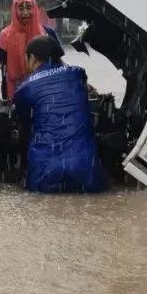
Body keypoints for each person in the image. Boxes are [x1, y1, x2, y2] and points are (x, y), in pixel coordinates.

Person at [13, 34, 107, 194]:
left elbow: (24, 124)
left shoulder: (25, 89)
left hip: (45, 173)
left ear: (32, 58)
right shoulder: (78, 75)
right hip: (86, 171)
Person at [0, 0, 61, 99]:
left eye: (29, 7)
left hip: (45, 98)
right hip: (14, 99)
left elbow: (59, 64)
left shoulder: (47, 33)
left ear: (34, 8)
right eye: (20, 8)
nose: (25, 12)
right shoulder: (4, 37)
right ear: (14, 10)